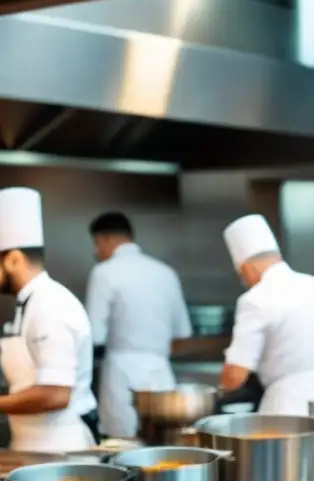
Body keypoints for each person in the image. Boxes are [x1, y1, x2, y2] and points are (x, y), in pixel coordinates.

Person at [0, 188, 97, 451]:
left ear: (14, 260)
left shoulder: (50, 305)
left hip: (60, 450)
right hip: (31, 444)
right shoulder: (29, 304)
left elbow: (55, 394)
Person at [221, 214, 314, 415]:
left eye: (242, 276)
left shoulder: (255, 299)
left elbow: (235, 375)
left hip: (286, 408)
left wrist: (219, 391)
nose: (245, 281)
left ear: (248, 267)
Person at [85, 211, 192, 438]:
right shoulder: (166, 273)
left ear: (105, 239)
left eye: (96, 244)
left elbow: (94, 336)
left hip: (121, 376)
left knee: (123, 448)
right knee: (163, 447)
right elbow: (182, 334)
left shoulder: (103, 273)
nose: (97, 251)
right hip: (161, 374)